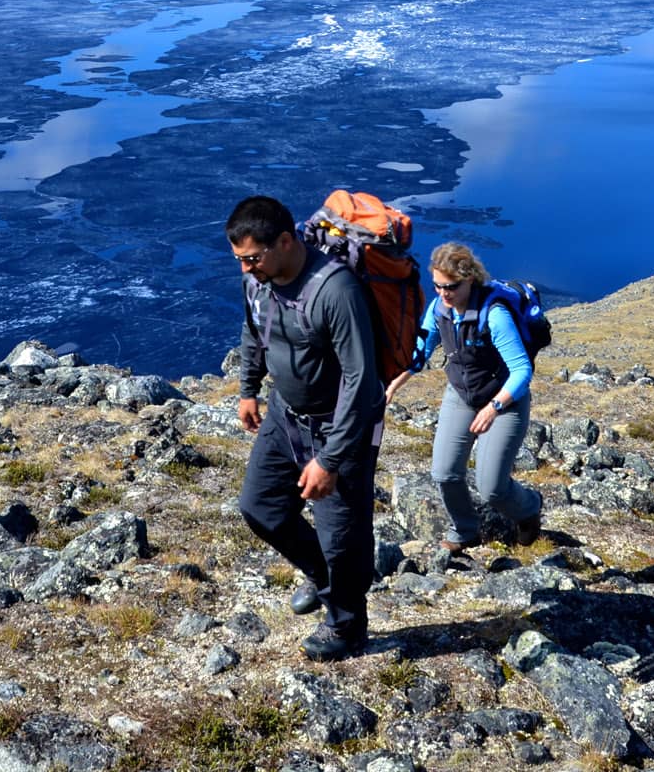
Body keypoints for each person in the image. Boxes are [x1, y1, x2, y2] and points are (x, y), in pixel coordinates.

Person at [229, 194, 382, 661]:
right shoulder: (259, 281)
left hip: (340, 425)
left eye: (253, 257)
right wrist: (248, 387)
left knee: (342, 533)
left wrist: (330, 459)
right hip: (283, 413)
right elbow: (254, 331)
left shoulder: (335, 290)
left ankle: (347, 627)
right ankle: (325, 579)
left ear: (285, 241)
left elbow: (360, 379)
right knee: (260, 506)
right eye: (239, 259)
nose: (246, 268)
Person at [402, 242, 543, 553]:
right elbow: (421, 351)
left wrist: (494, 408)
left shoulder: (494, 315)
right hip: (462, 395)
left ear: (469, 280)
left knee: (491, 488)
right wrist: (390, 385)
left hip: (505, 401)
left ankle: (529, 508)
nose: (443, 293)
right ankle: (465, 531)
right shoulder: (440, 308)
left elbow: (521, 370)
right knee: (444, 473)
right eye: (437, 285)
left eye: (450, 287)